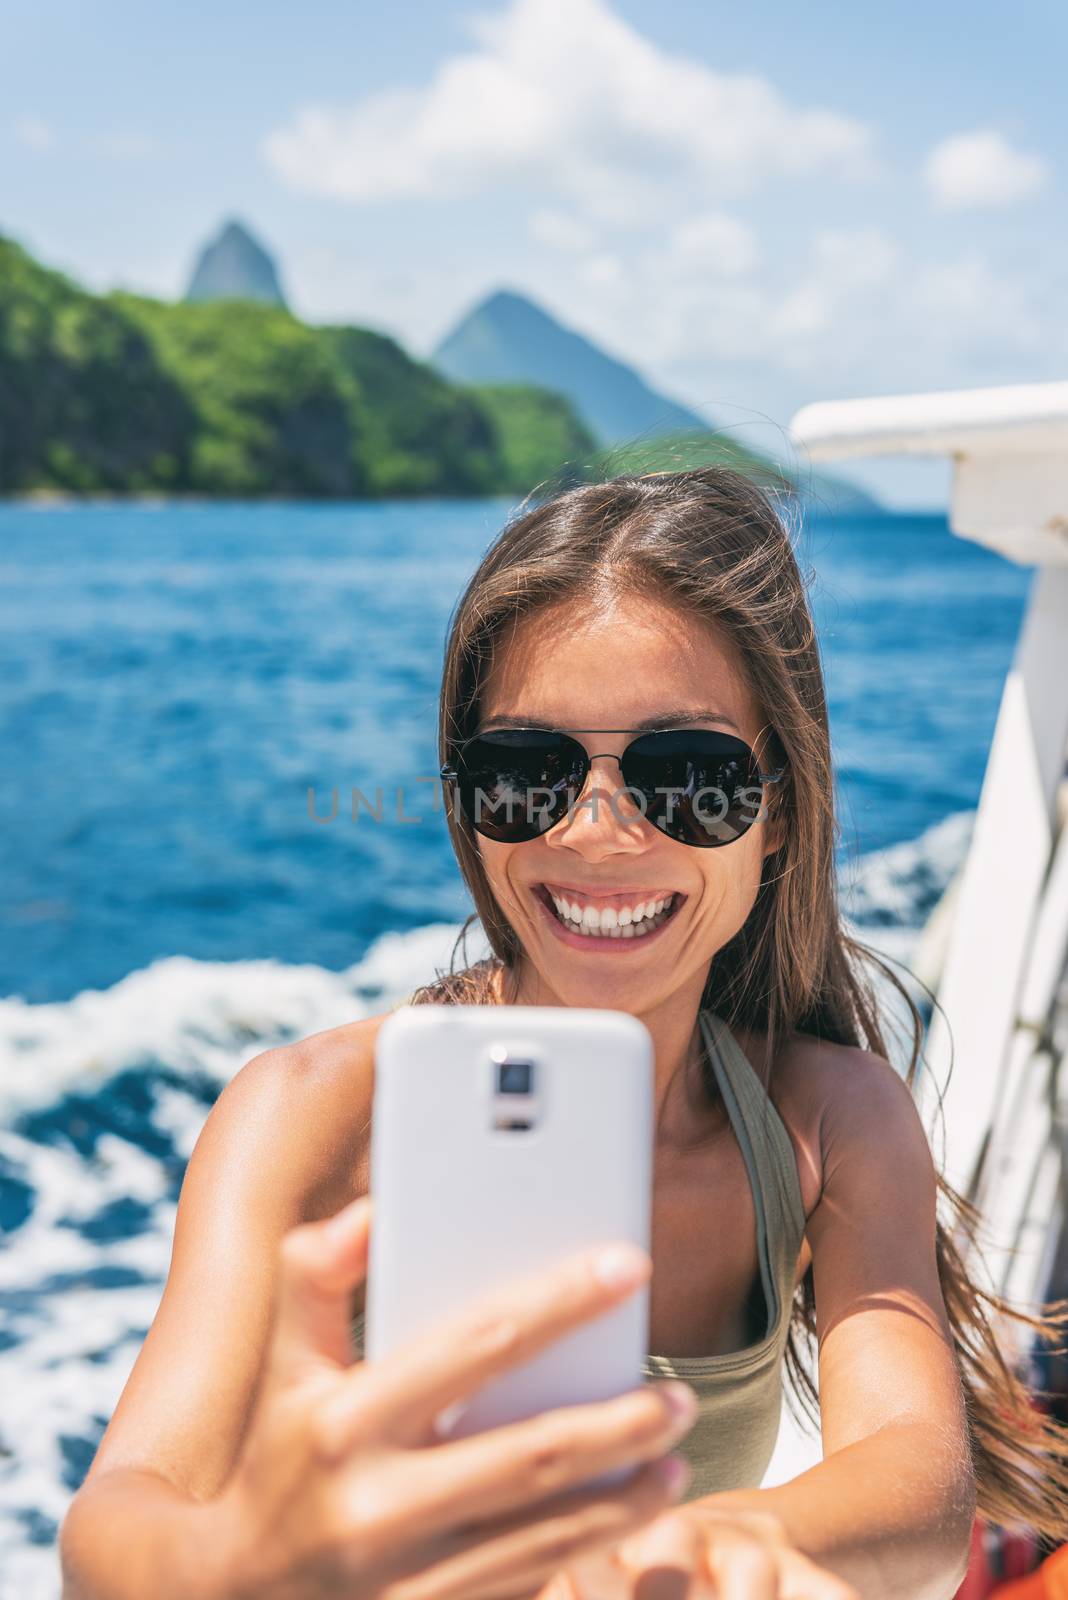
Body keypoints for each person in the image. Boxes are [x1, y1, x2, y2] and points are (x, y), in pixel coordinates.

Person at [61, 466, 1068, 1598]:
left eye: (689, 778)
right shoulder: (312, 1115)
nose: (597, 830)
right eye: (523, 775)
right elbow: (117, 1527)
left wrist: (681, 1550)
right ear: (465, 804)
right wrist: (244, 1557)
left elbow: (921, 1494)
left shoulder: (831, 1120)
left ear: (779, 811)